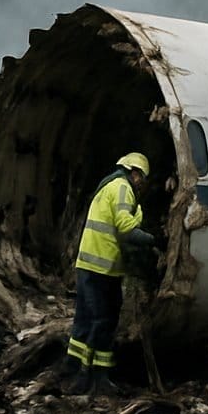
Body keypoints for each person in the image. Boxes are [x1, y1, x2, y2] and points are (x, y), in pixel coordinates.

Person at [59, 153, 157, 397]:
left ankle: (72, 370)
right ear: (134, 173)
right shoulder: (123, 189)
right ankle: (94, 376)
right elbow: (126, 229)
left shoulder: (107, 186)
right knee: (103, 320)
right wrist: (152, 239)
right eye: (142, 178)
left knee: (84, 319)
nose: (141, 184)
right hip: (103, 268)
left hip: (88, 264)